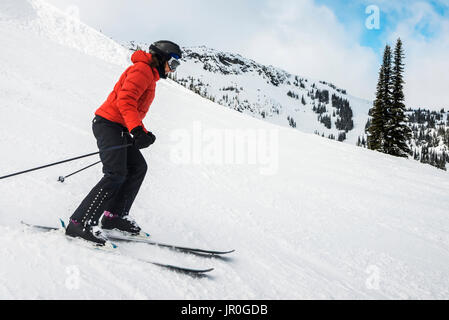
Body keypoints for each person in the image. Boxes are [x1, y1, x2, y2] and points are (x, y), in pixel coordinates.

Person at [65, 40, 182, 246]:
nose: (172, 69)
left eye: (176, 66)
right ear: (162, 57)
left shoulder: (149, 75)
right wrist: (137, 130)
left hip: (118, 127)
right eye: (173, 63)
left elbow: (132, 109)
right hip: (108, 125)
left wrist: (142, 132)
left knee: (138, 167)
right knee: (115, 174)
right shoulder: (142, 70)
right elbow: (125, 100)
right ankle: (80, 222)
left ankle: (114, 216)